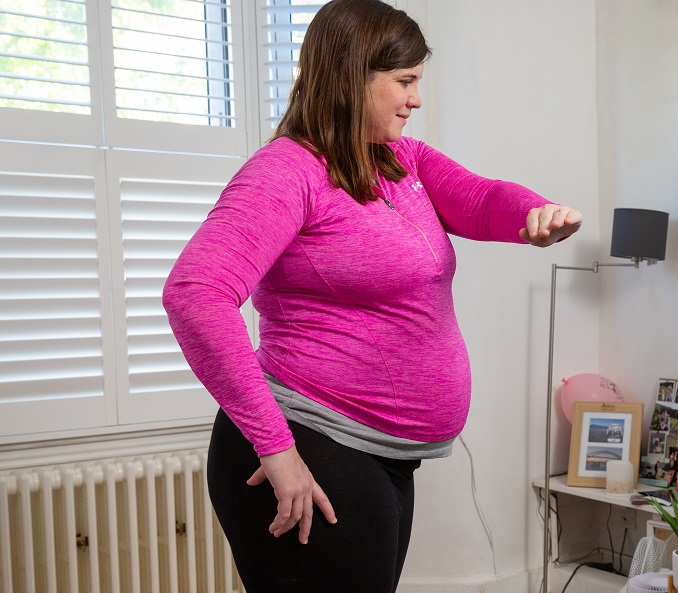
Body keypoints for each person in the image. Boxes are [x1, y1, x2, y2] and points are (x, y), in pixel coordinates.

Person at [161, 2, 582, 591]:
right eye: (404, 82)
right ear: (352, 76)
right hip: (310, 444)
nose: (414, 100)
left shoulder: (398, 160)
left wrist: (537, 214)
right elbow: (195, 293)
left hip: (378, 454)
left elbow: (481, 199)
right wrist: (278, 452)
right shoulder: (287, 172)